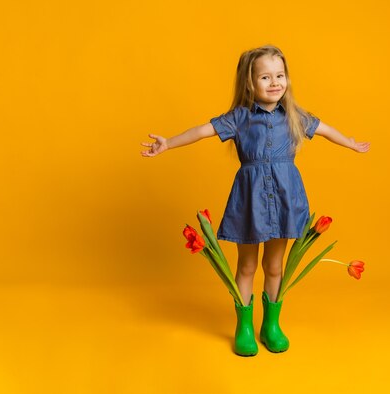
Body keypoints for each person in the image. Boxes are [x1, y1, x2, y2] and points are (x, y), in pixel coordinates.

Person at [141, 45, 369, 356]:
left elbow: (325, 129)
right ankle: (244, 327)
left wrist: (351, 144)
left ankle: (271, 325)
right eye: (265, 77)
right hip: (250, 198)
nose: (275, 82)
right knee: (247, 265)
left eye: (280, 75)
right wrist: (169, 143)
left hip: (286, 196)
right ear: (250, 82)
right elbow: (201, 131)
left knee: (274, 266)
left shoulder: (293, 116)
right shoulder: (239, 118)